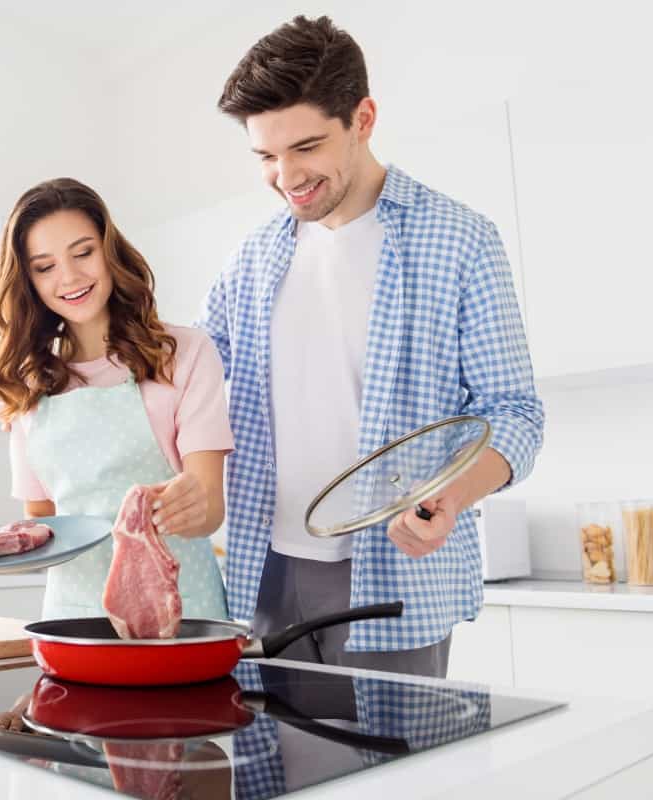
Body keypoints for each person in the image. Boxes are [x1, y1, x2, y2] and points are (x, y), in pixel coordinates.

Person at [200, 16, 544, 677]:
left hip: (397, 576)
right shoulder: (249, 259)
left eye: (306, 146)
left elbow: (516, 411)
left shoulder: (460, 240)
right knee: (280, 775)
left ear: (363, 117)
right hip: (263, 571)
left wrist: (453, 497)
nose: (285, 176)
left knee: (395, 777)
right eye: (266, 157)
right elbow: (190, 380)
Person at [0, 178, 231, 620]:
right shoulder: (31, 383)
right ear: (28, 281)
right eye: (45, 267)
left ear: (109, 250)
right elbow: (42, 518)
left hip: (179, 611)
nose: (70, 277)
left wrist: (187, 506)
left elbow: (211, 507)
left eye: (83, 252)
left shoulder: (184, 354)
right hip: (73, 617)